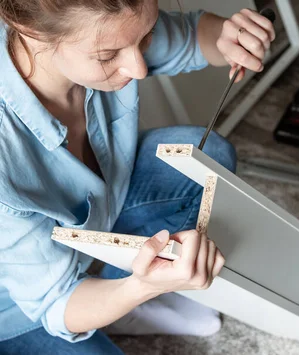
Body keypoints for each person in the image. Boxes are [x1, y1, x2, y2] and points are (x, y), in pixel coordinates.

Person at [0, 0, 275, 353]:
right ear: (33, 34)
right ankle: (119, 298)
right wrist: (142, 287)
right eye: (107, 56)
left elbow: (194, 35)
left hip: (98, 226)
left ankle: (115, 294)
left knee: (205, 157)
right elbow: (55, 304)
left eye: (144, 37)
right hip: (19, 307)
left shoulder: (107, 26)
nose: (139, 69)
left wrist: (232, 36)